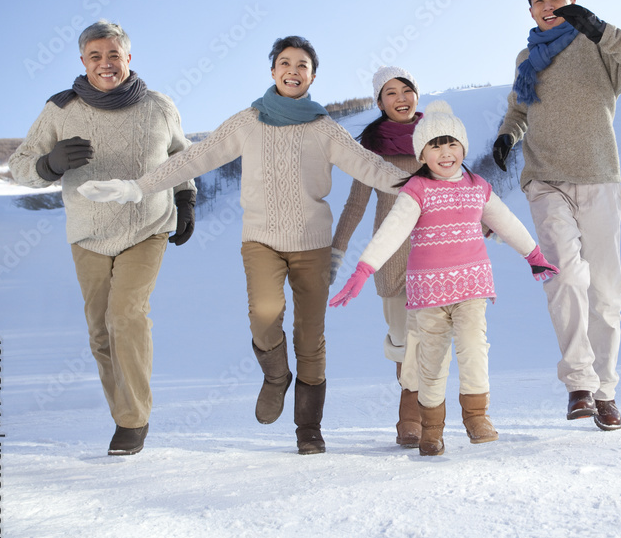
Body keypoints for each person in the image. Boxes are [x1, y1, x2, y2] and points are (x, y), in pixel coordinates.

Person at [79, 36, 410, 455]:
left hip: (313, 245)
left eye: (302, 64)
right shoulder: (248, 122)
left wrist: (426, 183)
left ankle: (308, 428)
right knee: (264, 314)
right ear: (273, 72)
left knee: (311, 337)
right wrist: (137, 187)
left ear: (312, 76)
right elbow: (195, 157)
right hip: (261, 241)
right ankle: (275, 377)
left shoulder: (326, 129)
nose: (293, 69)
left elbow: (373, 168)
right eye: (285, 62)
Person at [9, 20, 196, 456]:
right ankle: (124, 411)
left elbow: (181, 156)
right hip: (88, 233)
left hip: (146, 225)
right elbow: (20, 164)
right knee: (100, 332)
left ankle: (133, 422)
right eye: (96, 56)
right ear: (83, 62)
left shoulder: (159, 105)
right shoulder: (61, 108)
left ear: (128, 58)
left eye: (114, 54)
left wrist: (185, 201)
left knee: (125, 316)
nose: (106, 63)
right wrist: (50, 164)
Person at [330, 101, 558, 456]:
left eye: (451, 143)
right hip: (429, 295)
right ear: (422, 153)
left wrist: (534, 255)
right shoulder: (417, 190)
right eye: (434, 145)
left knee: (473, 350)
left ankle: (476, 416)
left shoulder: (478, 187)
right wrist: (364, 269)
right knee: (430, 362)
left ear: (463, 147)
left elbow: (506, 222)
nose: (445, 152)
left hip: (472, 288)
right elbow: (392, 232)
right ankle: (431, 429)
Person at [492, 0, 621, 431]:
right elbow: (519, 107)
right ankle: (580, 385)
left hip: (599, 177)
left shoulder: (597, 46)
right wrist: (508, 136)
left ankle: (606, 392)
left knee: (606, 292)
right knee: (563, 277)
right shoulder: (527, 56)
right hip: (545, 179)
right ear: (529, 10)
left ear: (572, 1)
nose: (548, 4)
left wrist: (600, 28)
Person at [331, 66, 424, 448]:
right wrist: (337, 250)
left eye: (406, 89)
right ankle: (411, 399)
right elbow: (356, 202)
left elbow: (460, 185)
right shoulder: (372, 146)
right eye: (390, 93)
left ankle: (417, 411)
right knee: (402, 335)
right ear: (380, 102)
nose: (400, 98)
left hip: (436, 249)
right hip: (391, 253)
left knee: (431, 333)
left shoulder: (436, 135)